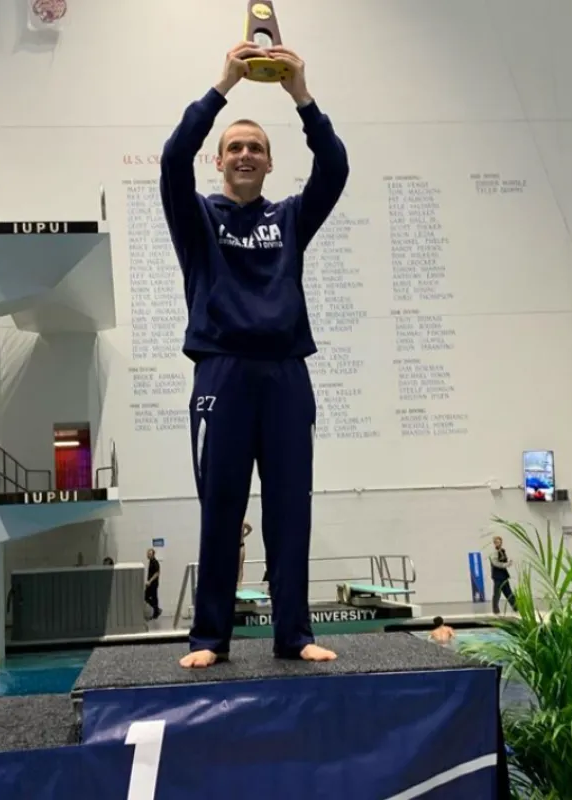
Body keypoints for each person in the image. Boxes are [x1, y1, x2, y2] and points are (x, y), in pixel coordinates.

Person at [160, 41, 349, 669]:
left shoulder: (291, 219)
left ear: (269, 165)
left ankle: (293, 634)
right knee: (222, 507)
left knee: (292, 507)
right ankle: (209, 638)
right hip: (221, 372)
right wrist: (223, 87)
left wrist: (301, 94)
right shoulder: (197, 219)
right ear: (220, 160)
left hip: (287, 376)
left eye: (256, 148)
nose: (245, 154)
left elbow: (336, 169)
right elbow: (170, 160)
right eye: (235, 147)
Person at [488, 536, 517, 614]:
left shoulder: (502, 551)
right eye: (496, 542)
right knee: (497, 593)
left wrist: (508, 563)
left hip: (503, 575)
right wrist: (506, 564)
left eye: (499, 541)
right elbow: (495, 563)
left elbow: (504, 560)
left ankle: (516, 607)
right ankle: (495, 610)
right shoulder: (494, 552)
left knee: (508, 592)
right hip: (497, 575)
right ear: (494, 543)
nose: (498, 543)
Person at [144, 548, 161, 620]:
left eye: (150, 554)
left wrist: (150, 581)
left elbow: (157, 573)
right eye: (148, 553)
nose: (148, 555)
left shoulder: (155, 562)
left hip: (153, 584)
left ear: (153, 555)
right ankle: (157, 610)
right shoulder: (150, 562)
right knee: (146, 597)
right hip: (150, 584)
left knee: (153, 598)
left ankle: (156, 613)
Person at [237, 520, 252, 589]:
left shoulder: (243, 522)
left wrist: (244, 535)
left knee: (240, 567)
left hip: (241, 546)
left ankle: (239, 585)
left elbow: (250, 529)